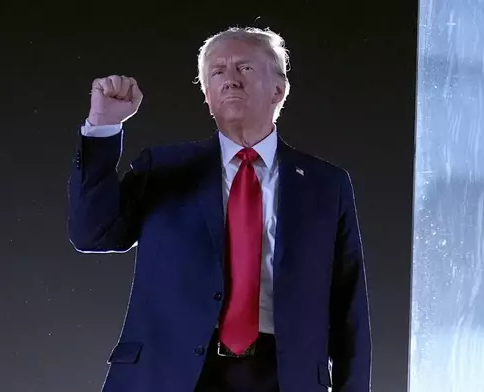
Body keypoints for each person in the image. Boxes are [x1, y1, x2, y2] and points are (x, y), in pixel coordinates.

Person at [67, 26, 371, 392]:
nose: (230, 79)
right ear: (208, 96)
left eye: (244, 68)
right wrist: (103, 127)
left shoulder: (326, 185)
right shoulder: (163, 168)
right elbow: (92, 233)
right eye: (217, 72)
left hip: (282, 377)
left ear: (278, 89)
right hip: (167, 376)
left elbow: (349, 308)